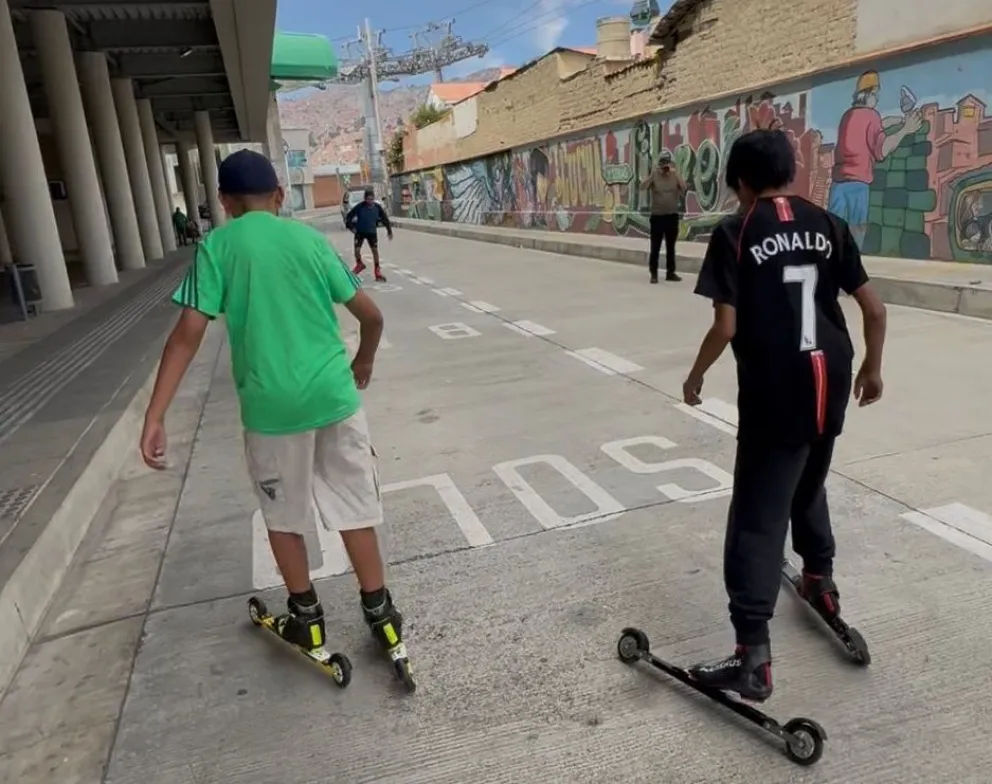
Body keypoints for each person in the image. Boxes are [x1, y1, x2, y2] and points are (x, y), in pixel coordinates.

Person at [139, 149, 406, 660]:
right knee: (355, 507)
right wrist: (363, 363)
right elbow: (371, 317)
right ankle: (381, 613)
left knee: (284, 514)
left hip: (271, 412)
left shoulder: (217, 247)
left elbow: (186, 336)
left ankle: (307, 618)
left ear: (223, 201)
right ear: (280, 196)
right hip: (334, 397)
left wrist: (155, 416)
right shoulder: (308, 240)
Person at [681, 129, 887, 701]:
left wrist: (695, 374)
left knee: (755, 515)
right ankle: (819, 577)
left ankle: (752, 656)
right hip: (833, 377)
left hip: (777, 389)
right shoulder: (826, 223)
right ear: (792, 173)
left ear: (740, 183)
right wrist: (873, 367)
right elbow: (873, 305)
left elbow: (726, 326)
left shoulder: (736, 231)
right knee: (808, 477)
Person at [639, 151, 685, 284]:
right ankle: (654, 274)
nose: (665, 168)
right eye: (663, 165)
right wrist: (651, 175)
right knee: (655, 246)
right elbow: (642, 187)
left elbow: (684, 188)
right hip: (657, 217)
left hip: (672, 216)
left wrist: (676, 174)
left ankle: (671, 273)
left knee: (671, 246)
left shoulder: (674, 175)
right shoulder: (655, 175)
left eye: (667, 165)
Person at [346, 189, 392, 282]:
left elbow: (385, 219)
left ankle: (377, 271)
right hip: (360, 232)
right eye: (368, 199)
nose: (370, 201)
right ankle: (359, 264)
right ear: (365, 199)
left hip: (371, 232)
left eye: (371, 199)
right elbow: (349, 216)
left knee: (375, 251)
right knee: (357, 250)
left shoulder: (377, 207)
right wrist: (351, 227)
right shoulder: (360, 207)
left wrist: (389, 231)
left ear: (374, 199)